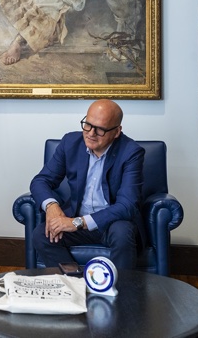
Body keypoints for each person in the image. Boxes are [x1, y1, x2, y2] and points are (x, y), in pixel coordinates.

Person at [30, 99, 145, 269]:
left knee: (122, 233)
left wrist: (77, 222)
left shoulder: (131, 152)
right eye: (88, 124)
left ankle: (122, 291)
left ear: (116, 131)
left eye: (100, 129)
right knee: (41, 234)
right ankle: (74, 282)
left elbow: (127, 205)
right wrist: (52, 207)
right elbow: (41, 181)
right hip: (77, 219)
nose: (91, 133)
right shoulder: (70, 143)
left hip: (111, 223)